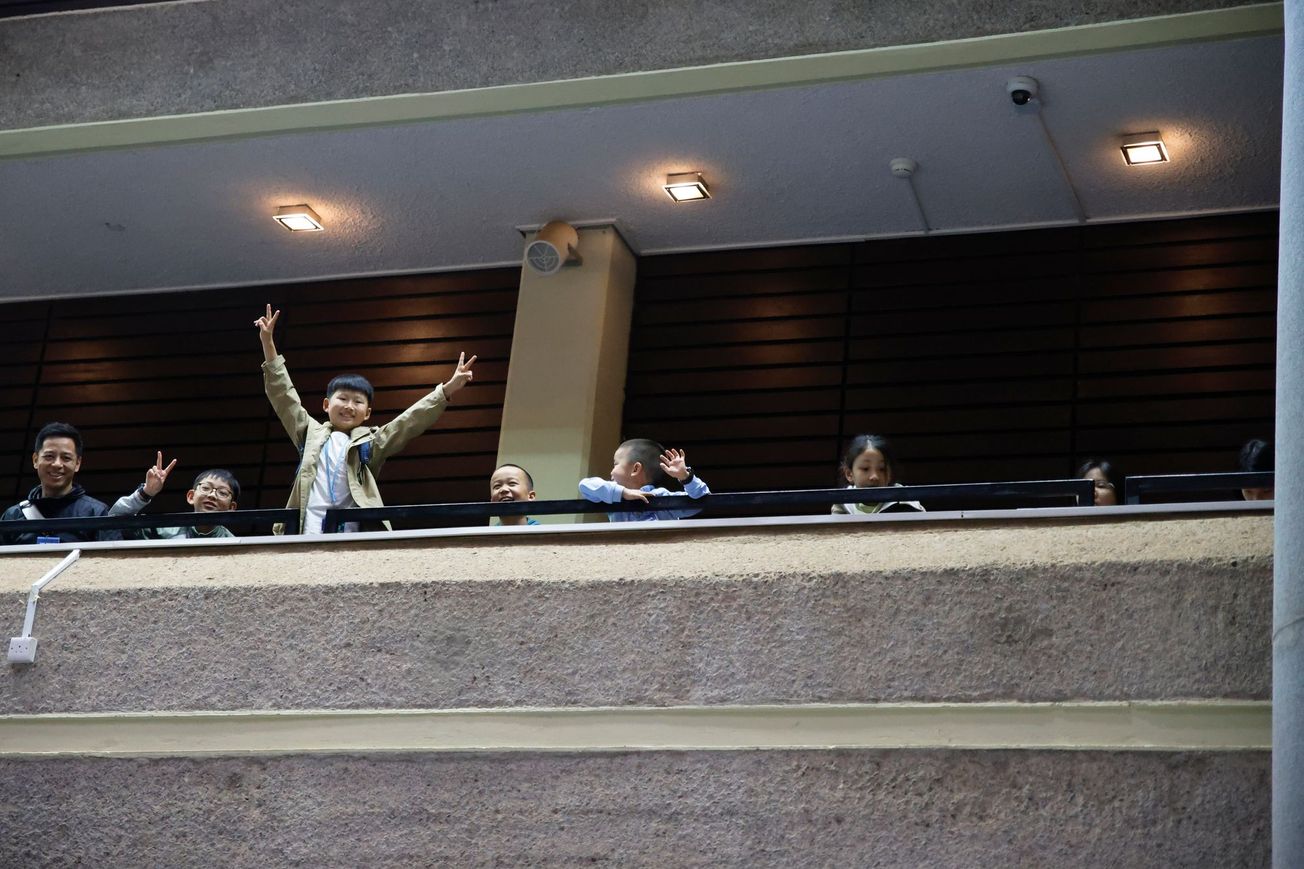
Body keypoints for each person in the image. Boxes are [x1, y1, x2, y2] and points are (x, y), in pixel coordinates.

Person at [256, 304, 476, 534]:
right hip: (306, 527)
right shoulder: (309, 432)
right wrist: (268, 342)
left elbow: (409, 422)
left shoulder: (372, 442)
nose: (349, 406)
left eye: (358, 402)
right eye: (343, 398)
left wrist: (447, 390)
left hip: (351, 533)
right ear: (326, 404)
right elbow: (284, 395)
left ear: (367, 413)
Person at [1, 422, 122, 545]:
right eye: (49, 456)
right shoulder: (13, 516)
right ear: (35, 460)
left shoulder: (97, 513)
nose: (57, 464)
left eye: (66, 458)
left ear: (77, 463)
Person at [579, 439, 710, 521]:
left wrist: (685, 477)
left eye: (615, 464)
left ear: (635, 469)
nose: (611, 472)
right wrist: (624, 493)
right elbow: (585, 485)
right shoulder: (613, 496)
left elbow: (702, 500)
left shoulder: (660, 496)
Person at [110, 462, 242, 539]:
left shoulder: (233, 543)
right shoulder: (165, 530)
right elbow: (114, 521)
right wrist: (146, 492)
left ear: (232, 507)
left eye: (222, 493)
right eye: (206, 488)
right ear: (191, 496)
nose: (212, 495)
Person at [832, 434, 924, 515]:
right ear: (849, 474)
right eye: (865, 469)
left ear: (890, 474)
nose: (874, 476)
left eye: (882, 469)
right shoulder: (842, 505)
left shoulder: (906, 504)